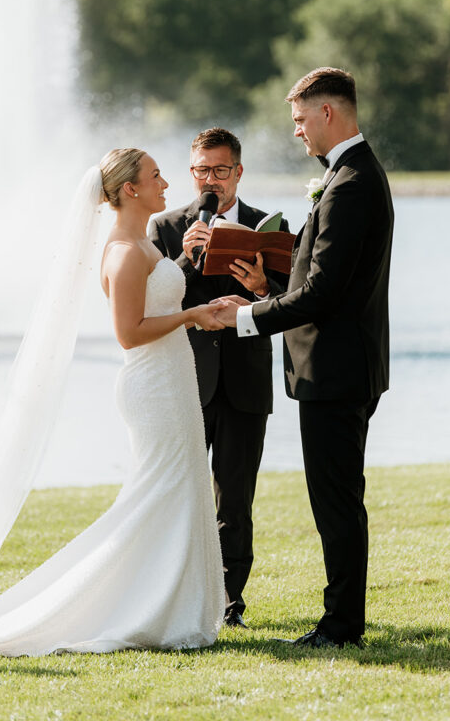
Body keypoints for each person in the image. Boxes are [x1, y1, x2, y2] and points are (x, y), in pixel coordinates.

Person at [0, 149, 226, 658]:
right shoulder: (123, 252)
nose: (166, 183)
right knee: (160, 491)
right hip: (153, 384)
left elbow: (158, 301)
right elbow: (129, 334)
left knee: (179, 489)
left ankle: (173, 606)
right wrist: (195, 314)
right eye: (156, 176)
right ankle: (137, 606)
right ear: (130, 189)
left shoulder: (145, 243)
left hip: (172, 378)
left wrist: (197, 296)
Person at [213, 69, 394, 649]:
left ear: (327, 114)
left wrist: (242, 318)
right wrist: (268, 286)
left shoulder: (350, 183)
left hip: (336, 373)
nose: (295, 132)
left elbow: (323, 295)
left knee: (337, 503)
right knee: (337, 499)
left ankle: (341, 626)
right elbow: (320, 283)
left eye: (299, 119)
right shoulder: (348, 175)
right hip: (339, 367)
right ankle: (342, 619)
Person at [148, 128, 288, 628]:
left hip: (246, 379)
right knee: (180, 492)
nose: (211, 180)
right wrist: (186, 256)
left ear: (239, 172)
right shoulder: (164, 227)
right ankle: (175, 598)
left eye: (220, 170)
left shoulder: (267, 224)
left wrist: (261, 287)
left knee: (236, 497)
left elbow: (290, 300)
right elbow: (153, 304)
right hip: (186, 376)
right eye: (201, 170)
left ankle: (230, 604)